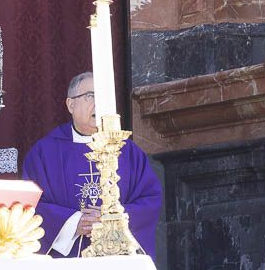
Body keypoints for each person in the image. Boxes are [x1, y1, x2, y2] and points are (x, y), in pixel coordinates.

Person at [21, 72, 162, 257]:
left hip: (117, 257)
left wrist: (113, 220)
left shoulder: (127, 151)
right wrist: (73, 223)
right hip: (65, 264)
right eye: (91, 96)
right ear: (70, 105)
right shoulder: (44, 153)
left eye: (103, 97)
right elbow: (30, 205)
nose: (100, 103)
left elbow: (150, 199)